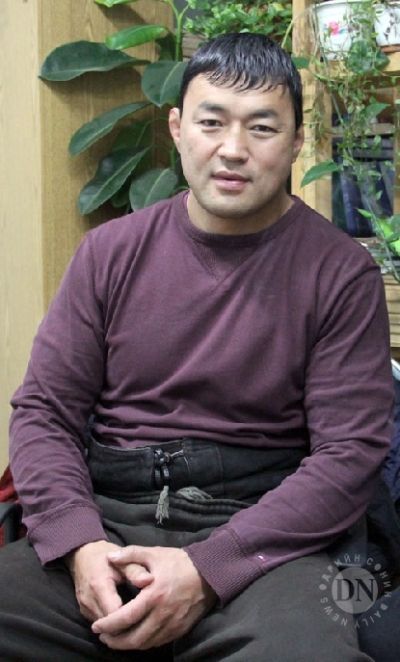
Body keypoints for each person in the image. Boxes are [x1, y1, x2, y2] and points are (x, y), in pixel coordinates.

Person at [0, 33, 394, 661]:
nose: (233, 149)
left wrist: (209, 569)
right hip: (108, 517)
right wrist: (78, 544)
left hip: (264, 534)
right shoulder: (109, 253)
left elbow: (348, 456)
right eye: (212, 122)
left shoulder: (340, 273)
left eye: (262, 128)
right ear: (178, 128)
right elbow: (45, 413)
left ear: (296, 142)